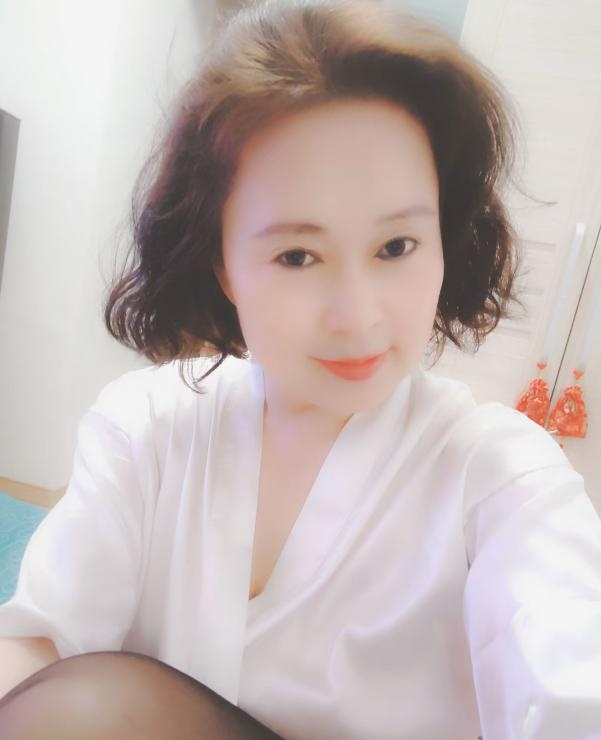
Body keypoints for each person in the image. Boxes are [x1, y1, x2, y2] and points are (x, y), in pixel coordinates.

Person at [1, 0, 600, 738]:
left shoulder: (498, 475)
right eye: (297, 255)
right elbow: (42, 643)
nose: (358, 315)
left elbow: (572, 684)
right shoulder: (147, 426)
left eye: (396, 247)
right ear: (222, 263)